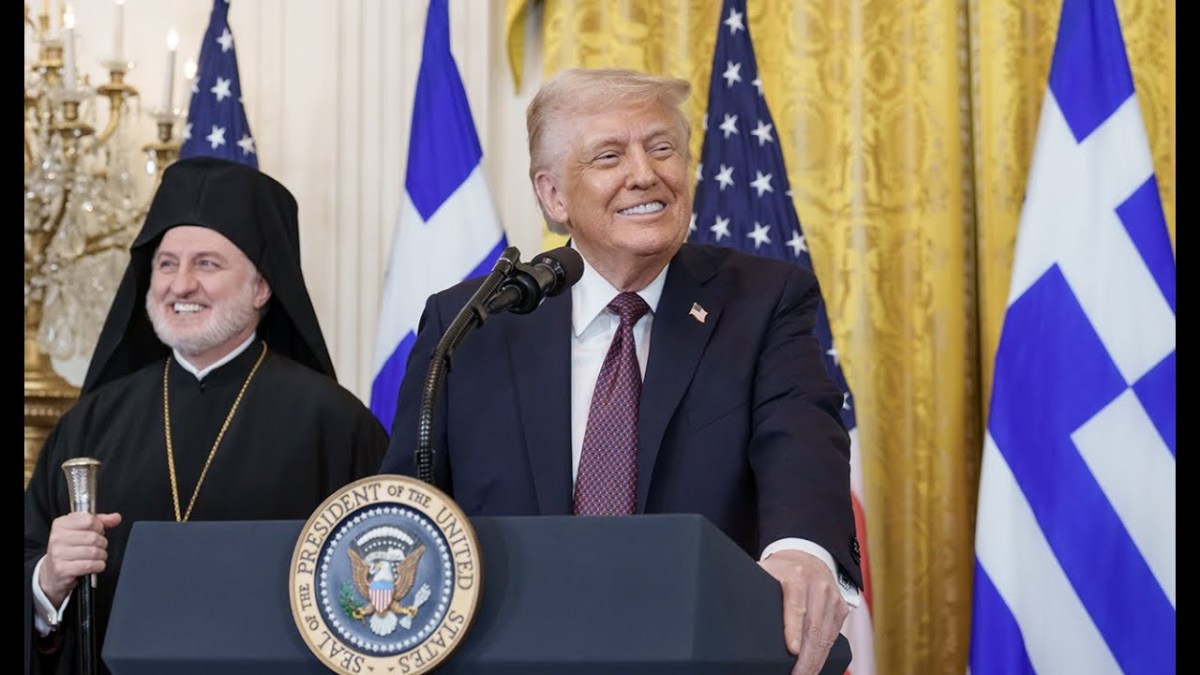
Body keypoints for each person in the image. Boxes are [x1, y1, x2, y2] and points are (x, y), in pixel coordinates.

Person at [379, 67, 863, 675]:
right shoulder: (471, 322)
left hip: (700, 654)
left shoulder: (763, 301)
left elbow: (803, 439)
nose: (644, 174)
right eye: (609, 156)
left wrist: (801, 550)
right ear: (553, 196)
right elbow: (408, 509)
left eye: (662, 148)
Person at [23, 156, 390, 675]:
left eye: (207, 264)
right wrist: (48, 581)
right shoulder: (92, 424)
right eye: (166, 264)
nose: (180, 285)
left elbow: (383, 591)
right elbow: (33, 558)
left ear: (262, 287)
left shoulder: (336, 426)